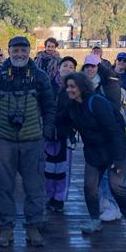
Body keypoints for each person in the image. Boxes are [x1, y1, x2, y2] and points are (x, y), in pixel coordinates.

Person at [0, 35, 56, 247]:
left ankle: (33, 227)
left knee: (35, 187)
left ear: (29, 51)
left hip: (33, 141)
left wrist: (45, 134)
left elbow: (50, 107)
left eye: (23, 50)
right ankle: (5, 228)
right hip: (4, 141)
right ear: (8, 51)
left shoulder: (40, 76)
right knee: (4, 187)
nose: (19, 54)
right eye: (15, 50)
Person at [58, 72, 126, 238]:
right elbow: (62, 122)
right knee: (89, 187)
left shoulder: (97, 102)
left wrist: (117, 159)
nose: (69, 90)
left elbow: (114, 130)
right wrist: (68, 134)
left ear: (82, 87)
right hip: (93, 152)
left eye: (73, 87)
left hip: (114, 150)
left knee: (117, 187)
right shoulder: (72, 105)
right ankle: (95, 220)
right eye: (67, 87)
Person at [82, 54, 123, 220]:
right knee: (98, 171)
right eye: (87, 66)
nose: (89, 69)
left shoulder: (109, 83)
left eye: (92, 66)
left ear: (99, 67)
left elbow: (114, 107)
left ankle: (112, 205)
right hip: (93, 135)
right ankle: (104, 201)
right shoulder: (84, 84)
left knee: (108, 171)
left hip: (109, 132)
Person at [45, 56, 77, 212]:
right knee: (48, 168)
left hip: (65, 135)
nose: (68, 69)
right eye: (65, 65)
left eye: (71, 67)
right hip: (48, 134)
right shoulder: (48, 85)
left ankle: (59, 198)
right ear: (59, 68)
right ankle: (49, 196)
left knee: (63, 170)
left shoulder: (75, 89)